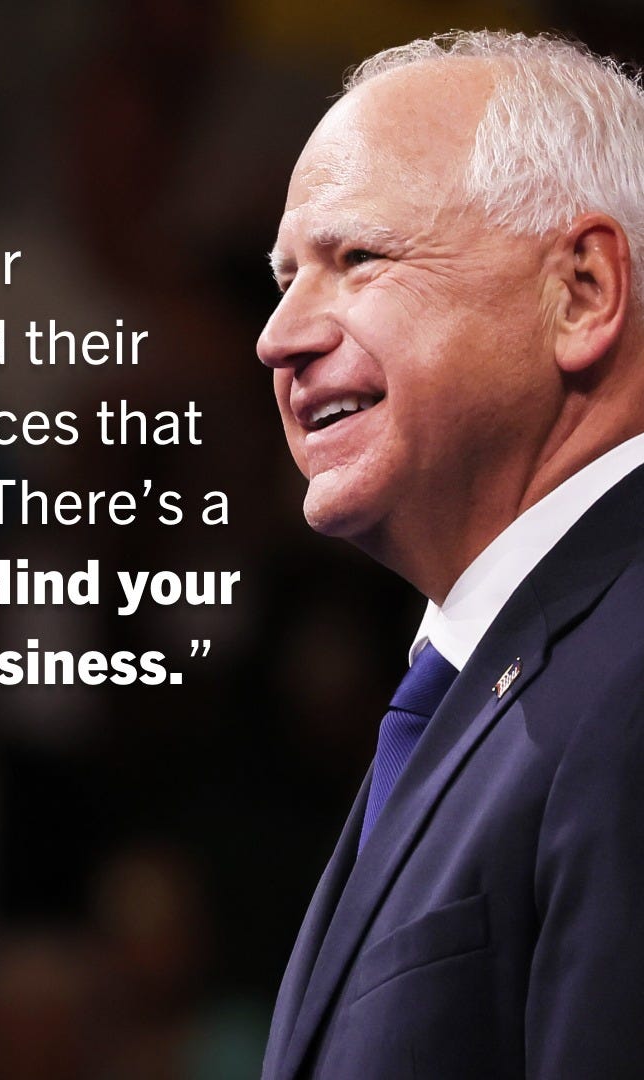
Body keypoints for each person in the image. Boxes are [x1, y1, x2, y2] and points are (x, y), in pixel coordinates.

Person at [256, 30, 644, 1079]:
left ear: (584, 292)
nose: (278, 336)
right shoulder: (495, 680)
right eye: (286, 277)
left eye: (357, 259)